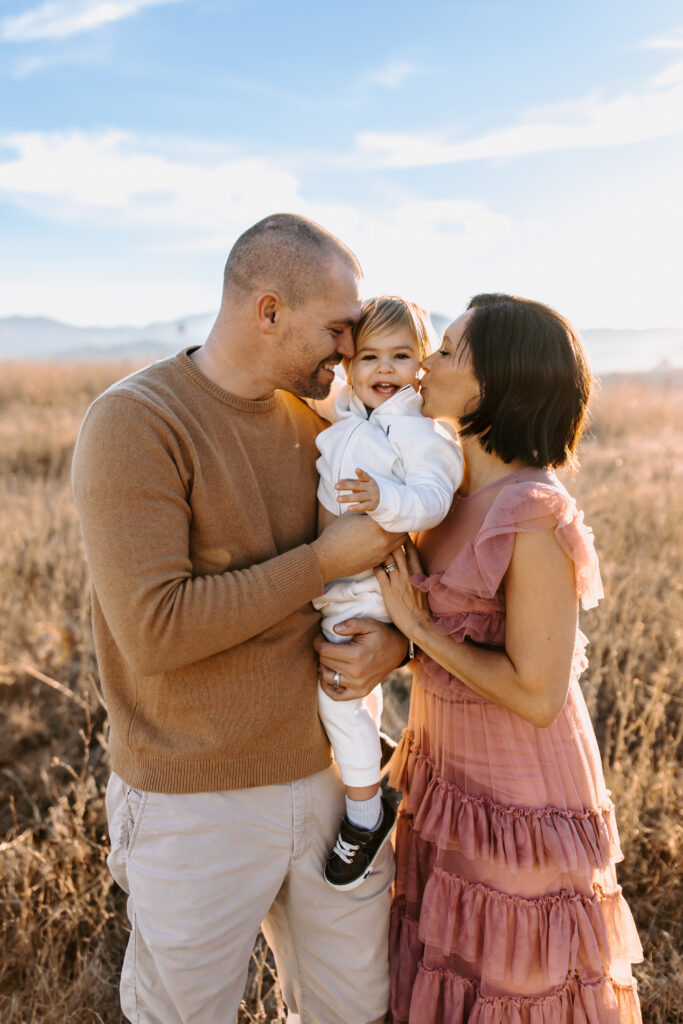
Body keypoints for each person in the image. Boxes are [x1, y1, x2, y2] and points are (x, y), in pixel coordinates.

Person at [71, 213, 410, 1024]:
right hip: (197, 800)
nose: (348, 349)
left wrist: (394, 644)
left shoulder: (329, 428)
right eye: (334, 329)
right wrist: (323, 559)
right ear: (267, 311)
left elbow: (393, 568)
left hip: (336, 782)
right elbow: (157, 630)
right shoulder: (136, 422)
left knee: (357, 1011)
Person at [372, 294, 643, 1022]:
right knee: (447, 971)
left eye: (449, 352)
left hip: (516, 803)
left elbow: (536, 694)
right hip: (445, 781)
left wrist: (418, 629)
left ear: (497, 384)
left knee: (511, 988)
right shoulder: (444, 491)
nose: (425, 361)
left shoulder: (529, 511)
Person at [309, 295, 464, 889]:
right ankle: (368, 755)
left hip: (373, 582)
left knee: (338, 692)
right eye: (369, 356)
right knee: (337, 692)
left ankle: (366, 813)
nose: (384, 369)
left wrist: (386, 501)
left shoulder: (419, 431)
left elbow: (433, 495)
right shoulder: (351, 414)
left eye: (401, 356)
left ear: (421, 365)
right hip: (335, 581)